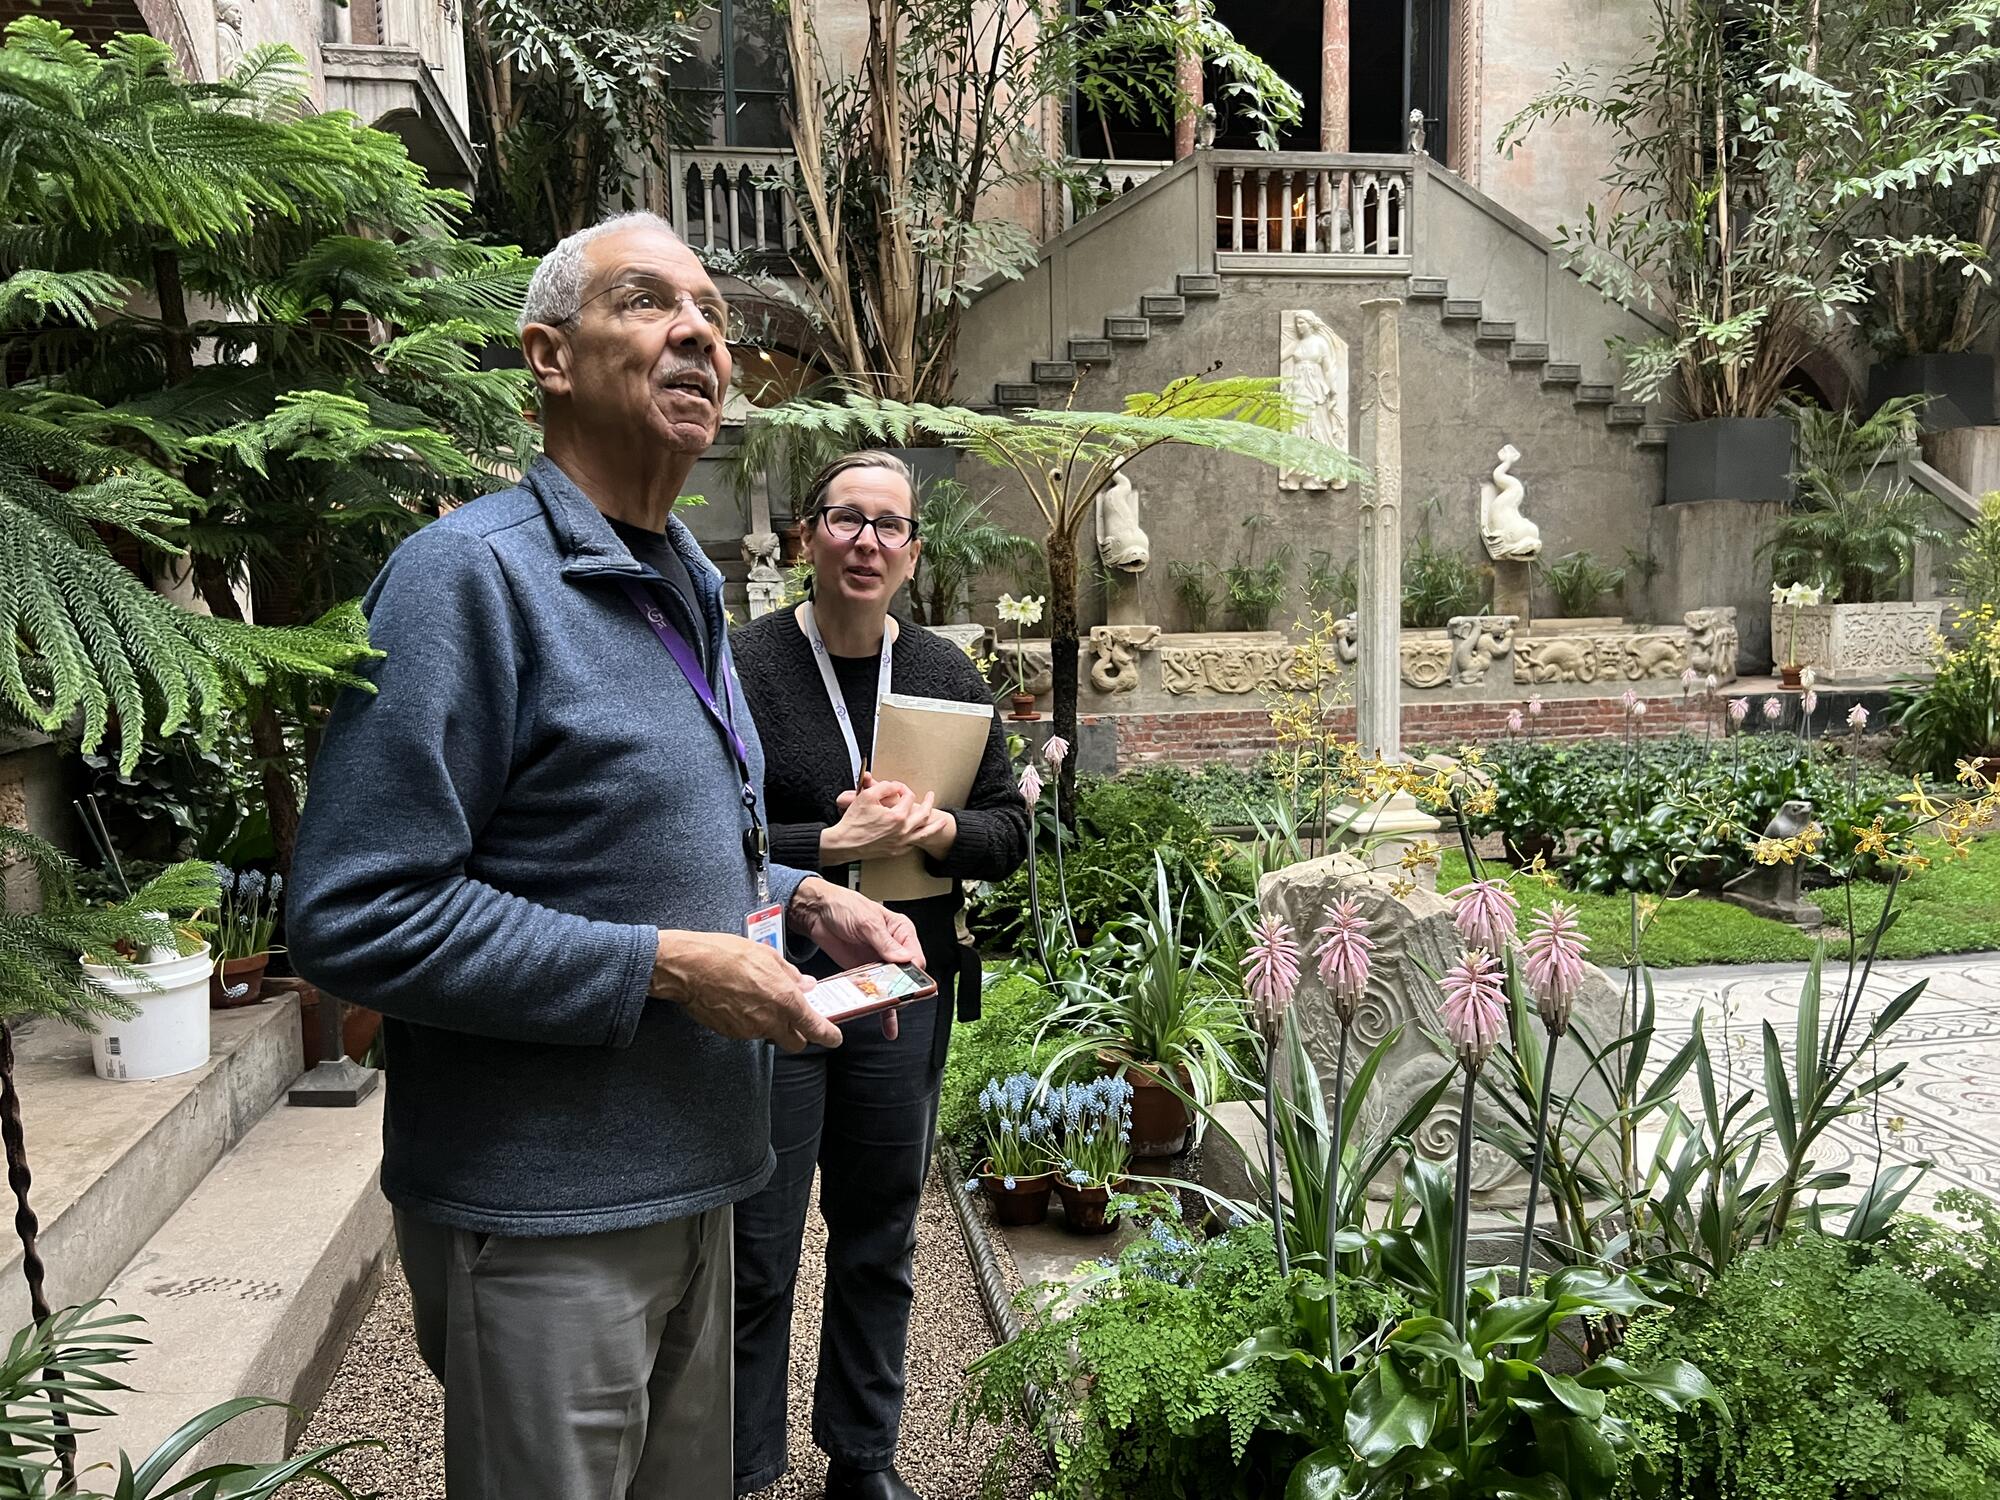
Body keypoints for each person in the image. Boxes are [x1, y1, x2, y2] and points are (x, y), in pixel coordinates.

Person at [287, 213, 922, 1500]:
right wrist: (665, 971)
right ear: (548, 356)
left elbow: (658, 848)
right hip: (543, 1219)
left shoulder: (685, 581)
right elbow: (354, 916)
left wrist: (801, 900)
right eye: (646, 303)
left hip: (701, 1187)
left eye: (713, 317)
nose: (699, 332)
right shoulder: (464, 581)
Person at [729, 452, 1029, 1500]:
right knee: (757, 1244)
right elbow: (705, 831)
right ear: (808, 535)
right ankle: (742, 1463)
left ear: (911, 553)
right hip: (774, 988)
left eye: (887, 526)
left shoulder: (945, 673)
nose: (866, 541)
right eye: (846, 519)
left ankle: (862, 1459)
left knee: (878, 1233)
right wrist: (827, 840)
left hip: (903, 997)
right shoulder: (743, 667)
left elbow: (1009, 830)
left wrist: (939, 827)